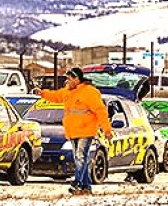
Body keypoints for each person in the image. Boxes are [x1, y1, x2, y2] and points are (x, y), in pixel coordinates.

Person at [39, 67, 113, 195]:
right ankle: (86, 186)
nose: (67, 81)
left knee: (80, 157)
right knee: (79, 158)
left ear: (77, 79)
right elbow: (56, 96)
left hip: (86, 130)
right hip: (72, 131)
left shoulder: (90, 92)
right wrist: (42, 93)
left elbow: (101, 111)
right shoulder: (68, 92)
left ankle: (77, 182)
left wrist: (107, 130)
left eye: (69, 79)